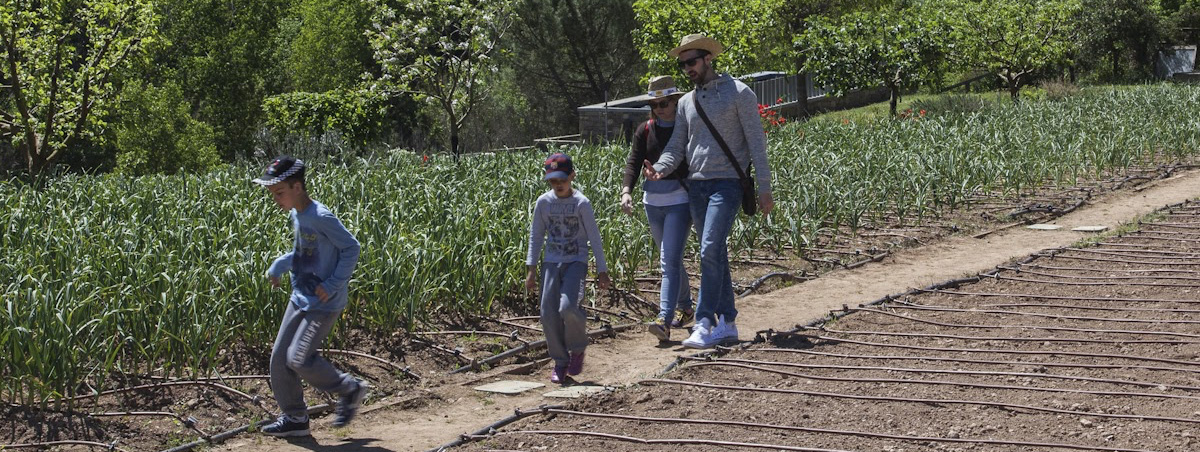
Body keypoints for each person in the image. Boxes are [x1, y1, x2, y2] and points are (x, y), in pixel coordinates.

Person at [643, 33, 775, 349]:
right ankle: (728, 322)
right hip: (697, 188)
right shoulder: (687, 102)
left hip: (728, 184)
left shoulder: (739, 93)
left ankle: (704, 322)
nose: (687, 67)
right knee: (714, 253)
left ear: (708, 58)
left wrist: (765, 189)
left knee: (708, 248)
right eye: (683, 63)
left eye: (692, 61)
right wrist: (660, 168)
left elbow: (757, 143)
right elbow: (677, 145)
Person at [253, 156, 367, 437]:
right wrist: (281, 264)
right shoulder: (297, 214)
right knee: (279, 360)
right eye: (273, 194)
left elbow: (351, 248)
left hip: (323, 303)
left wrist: (332, 284)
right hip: (300, 296)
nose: (275, 199)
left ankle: (349, 388)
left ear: (298, 187)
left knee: (299, 358)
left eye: (279, 193)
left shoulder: (321, 216)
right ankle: (295, 418)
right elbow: (307, 253)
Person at [525, 152, 612, 383]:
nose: (558, 184)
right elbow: (536, 236)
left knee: (568, 307)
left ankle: (578, 347)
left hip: (576, 262)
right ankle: (560, 361)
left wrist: (602, 270)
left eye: (562, 179)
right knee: (547, 312)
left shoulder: (581, 203)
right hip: (552, 262)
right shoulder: (544, 203)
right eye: (553, 181)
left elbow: (594, 237)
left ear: (572, 176)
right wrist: (531, 268)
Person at [621, 75, 695, 343]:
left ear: (676, 101)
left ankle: (664, 320)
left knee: (667, 261)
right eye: (654, 104)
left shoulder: (687, 127)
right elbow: (633, 161)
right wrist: (626, 191)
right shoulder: (645, 130)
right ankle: (686, 308)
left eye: (664, 103)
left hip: (679, 201)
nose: (660, 108)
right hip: (652, 202)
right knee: (671, 260)